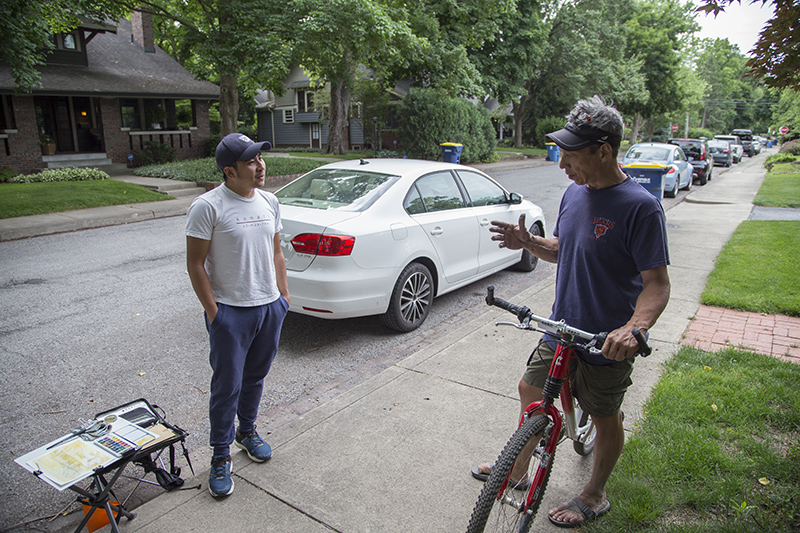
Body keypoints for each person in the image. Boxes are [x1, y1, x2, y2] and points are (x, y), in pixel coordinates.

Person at [473, 96, 671, 527]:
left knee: (604, 417)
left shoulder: (640, 207)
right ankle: (520, 471)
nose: (562, 164)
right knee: (530, 391)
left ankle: (595, 493)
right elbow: (564, 249)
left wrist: (632, 329)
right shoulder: (573, 194)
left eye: (570, 154)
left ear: (604, 150)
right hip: (561, 329)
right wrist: (529, 243)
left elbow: (657, 285)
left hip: (606, 341)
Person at [185, 133, 290, 498]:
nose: (260, 166)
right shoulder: (208, 206)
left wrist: (282, 298)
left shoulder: (270, 201)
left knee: (256, 377)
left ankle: (247, 431)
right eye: (250, 162)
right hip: (230, 312)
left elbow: (277, 253)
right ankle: (219, 454)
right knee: (226, 386)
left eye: (260, 159)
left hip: (268, 307)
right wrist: (215, 314)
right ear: (229, 171)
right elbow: (195, 265)